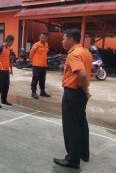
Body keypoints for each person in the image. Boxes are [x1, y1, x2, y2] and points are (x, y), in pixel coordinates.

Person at [54, 28, 93, 169]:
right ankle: (83, 153)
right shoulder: (85, 52)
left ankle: (72, 159)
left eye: (64, 38)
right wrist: (86, 91)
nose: (62, 41)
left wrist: (85, 90)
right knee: (81, 123)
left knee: (71, 127)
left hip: (73, 93)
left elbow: (82, 74)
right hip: (80, 94)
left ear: (71, 40)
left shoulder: (73, 54)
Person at [0, 35, 14, 108]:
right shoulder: (0, 48)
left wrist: (10, 68)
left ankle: (4, 100)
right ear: (8, 41)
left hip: (6, 70)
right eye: (11, 42)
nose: (12, 43)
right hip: (0, 70)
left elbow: (8, 59)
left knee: (6, 86)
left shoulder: (8, 48)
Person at [29, 32, 51, 99]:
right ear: (39, 37)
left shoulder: (46, 45)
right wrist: (32, 62)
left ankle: (42, 91)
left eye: (43, 38)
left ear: (46, 38)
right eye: (41, 37)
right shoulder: (36, 45)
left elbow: (45, 53)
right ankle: (33, 92)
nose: (42, 39)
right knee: (35, 78)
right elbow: (31, 53)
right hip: (36, 65)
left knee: (42, 79)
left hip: (43, 65)